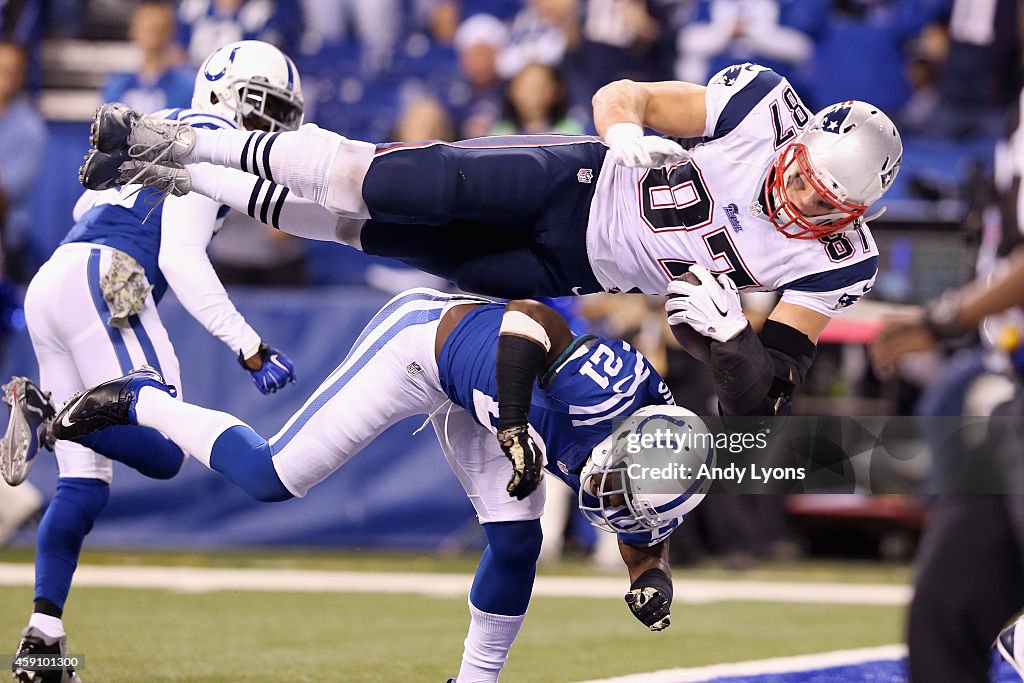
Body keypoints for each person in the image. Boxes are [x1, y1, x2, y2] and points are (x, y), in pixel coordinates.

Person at [82, 61, 903, 422]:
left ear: (854, 214)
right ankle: (178, 138)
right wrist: (623, 137)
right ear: (795, 144)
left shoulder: (839, 265)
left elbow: (762, 404)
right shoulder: (758, 108)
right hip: (570, 179)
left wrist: (729, 340)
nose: (796, 199)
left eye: (821, 202)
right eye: (800, 175)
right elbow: (626, 92)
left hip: (572, 264)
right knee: (382, 180)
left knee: (370, 230)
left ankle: (188, 175)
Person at [52, 288, 699, 683]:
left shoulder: (656, 479)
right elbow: (528, 318)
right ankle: (145, 399)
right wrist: (510, 422)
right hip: (424, 348)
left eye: (622, 500)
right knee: (271, 474)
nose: (606, 500)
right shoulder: (604, 389)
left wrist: (651, 580)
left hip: (487, 408)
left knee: (517, 543)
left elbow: (643, 540)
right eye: (616, 484)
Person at [6, 40, 302, 683]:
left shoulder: (158, 126)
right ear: (226, 94)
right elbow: (180, 258)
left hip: (57, 274)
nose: (273, 127)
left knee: (82, 487)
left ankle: (42, 642)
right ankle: (53, 416)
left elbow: (88, 203)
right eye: (265, 108)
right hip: (114, 279)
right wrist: (247, 344)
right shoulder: (213, 139)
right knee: (164, 447)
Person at [102, 1, 194, 114]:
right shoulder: (117, 85)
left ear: (170, 32)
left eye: (157, 29)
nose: (152, 35)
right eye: (147, 28)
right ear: (133, 31)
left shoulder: (186, 87)